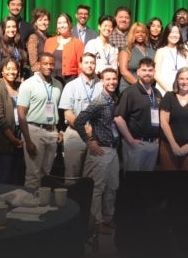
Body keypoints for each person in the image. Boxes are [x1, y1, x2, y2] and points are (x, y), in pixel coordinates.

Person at [73, 68, 120, 235]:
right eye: (108, 79)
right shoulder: (99, 101)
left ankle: (108, 218)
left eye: (114, 79)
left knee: (112, 187)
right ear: (101, 81)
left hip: (113, 150)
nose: (111, 82)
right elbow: (79, 122)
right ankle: (96, 223)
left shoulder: (114, 99)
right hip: (100, 150)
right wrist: (89, 142)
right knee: (97, 189)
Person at [18, 53, 63, 188]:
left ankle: (43, 206)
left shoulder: (58, 85)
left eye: (51, 64)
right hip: (34, 131)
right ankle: (29, 206)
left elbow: (59, 110)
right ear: (38, 65)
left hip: (52, 131)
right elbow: (21, 113)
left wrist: (59, 131)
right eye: (45, 63)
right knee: (33, 174)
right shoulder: (28, 84)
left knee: (46, 174)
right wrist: (28, 139)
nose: (48, 67)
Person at [59, 53, 102, 183]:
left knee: (92, 178)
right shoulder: (71, 86)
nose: (90, 65)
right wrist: (84, 128)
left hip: (95, 136)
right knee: (72, 176)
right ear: (80, 64)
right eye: (87, 62)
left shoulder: (101, 86)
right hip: (75, 135)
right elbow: (68, 114)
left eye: (92, 63)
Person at [115, 58, 161, 171]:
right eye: (144, 70)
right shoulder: (130, 92)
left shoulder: (157, 93)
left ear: (154, 72)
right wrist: (130, 140)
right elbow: (118, 118)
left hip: (153, 145)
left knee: (147, 183)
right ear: (138, 72)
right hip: (136, 144)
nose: (147, 73)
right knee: (133, 182)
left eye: (150, 70)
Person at [158, 67, 188, 171]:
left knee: (187, 184)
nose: (185, 82)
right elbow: (163, 122)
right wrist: (173, 145)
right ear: (177, 80)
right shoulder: (169, 96)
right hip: (168, 146)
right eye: (181, 79)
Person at [0, 59, 24, 184]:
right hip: (3, 138)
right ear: (2, 72)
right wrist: (12, 138)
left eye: (14, 69)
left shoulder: (21, 87)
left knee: (17, 176)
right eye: (8, 69)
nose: (11, 72)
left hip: (21, 133)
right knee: (3, 176)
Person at [43, 12, 85, 84]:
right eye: (59, 23)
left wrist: (80, 82)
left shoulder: (78, 43)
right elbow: (44, 62)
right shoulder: (49, 41)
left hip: (70, 80)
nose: (61, 25)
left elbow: (81, 66)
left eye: (64, 22)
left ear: (70, 24)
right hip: (51, 79)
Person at [118, 22, 155, 93]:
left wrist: (147, 86)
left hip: (148, 87)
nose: (140, 34)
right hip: (129, 87)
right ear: (132, 34)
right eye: (137, 32)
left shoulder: (152, 51)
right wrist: (140, 86)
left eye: (143, 32)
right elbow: (123, 71)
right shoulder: (127, 50)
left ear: (146, 34)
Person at [154, 24, 188, 95]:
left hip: (181, 92)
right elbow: (156, 75)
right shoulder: (161, 51)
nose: (174, 35)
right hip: (163, 92)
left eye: (177, 32)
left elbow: (187, 74)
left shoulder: (185, 52)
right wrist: (170, 91)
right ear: (167, 34)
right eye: (172, 32)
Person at [0, 16, 29, 80]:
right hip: (4, 81)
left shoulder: (18, 44)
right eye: (8, 27)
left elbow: (23, 63)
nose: (11, 29)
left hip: (18, 80)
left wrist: (22, 77)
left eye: (14, 27)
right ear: (3, 29)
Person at [26, 8, 51, 73]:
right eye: (40, 20)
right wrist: (46, 68)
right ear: (35, 23)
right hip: (39, 74)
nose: (43, 22)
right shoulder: (33, 37)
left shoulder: (50, 38)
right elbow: (33, 63)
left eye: (45, 20)